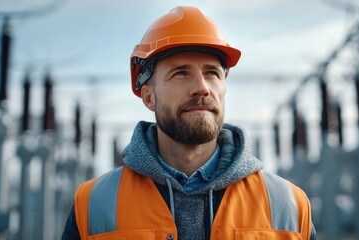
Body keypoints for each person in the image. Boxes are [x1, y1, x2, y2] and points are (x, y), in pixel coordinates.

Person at [62, 6, 316, 240]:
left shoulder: (289, 205)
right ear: (149, 96)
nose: (202, 88)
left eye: (212, 73)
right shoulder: (93, 205)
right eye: (181, 73)